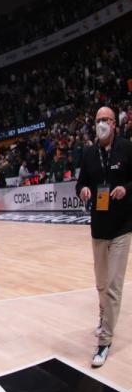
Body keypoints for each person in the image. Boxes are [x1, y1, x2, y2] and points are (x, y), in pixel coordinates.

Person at [75, 107, 131, 368]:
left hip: (122, 226)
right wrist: (84, 190)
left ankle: (105, 342)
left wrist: (125, 189)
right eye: (97, 121)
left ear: (115, 124)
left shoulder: (127, 148)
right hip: (98, 227)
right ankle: (103, 319)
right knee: (100, 283)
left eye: (105, 120)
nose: (101, 125)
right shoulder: (88, 153)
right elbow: (80, 183)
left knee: (112, 286)